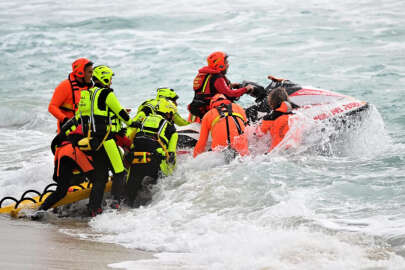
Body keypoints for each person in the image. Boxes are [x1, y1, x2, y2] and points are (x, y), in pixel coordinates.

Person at [63, 65, 135, 216]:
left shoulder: (88, 93)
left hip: (93, 141)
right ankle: (115, 204)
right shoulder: (107, 94)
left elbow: (82, 116)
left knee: (100, 177)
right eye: (110, 78)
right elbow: (121, 113)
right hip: (106, 140)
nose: (111, 82)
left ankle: (94, 208)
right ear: (105, 78)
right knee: (120, 172)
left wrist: (65, 130)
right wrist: (133, 124)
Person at [125, 98, 178, 208]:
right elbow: (171, 155)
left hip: (135, 159)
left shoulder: (143, 119)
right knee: (162, 183)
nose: (173, 118)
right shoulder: (170, 128)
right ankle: (153, 210)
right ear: (168, 114)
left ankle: (124, 208)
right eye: (173, 115)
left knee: (129, 194)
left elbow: (131, 138)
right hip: (155, 161)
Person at [31, 131, 95, 220]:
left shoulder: (64, 142)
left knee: (61, 191)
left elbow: (55, 176)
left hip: (62, 152)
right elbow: (91, 172)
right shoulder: (86, 151)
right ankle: (93, 209)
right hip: (71, 153)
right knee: (96, 180)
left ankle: (41, 210)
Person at [188, 51, 255, 122]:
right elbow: (230, 94)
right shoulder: (217, 77)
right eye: (226, 62)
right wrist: (246, 89)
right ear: (220, 64)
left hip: (197, 110)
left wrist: (232, 85)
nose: (228, 65)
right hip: (209, 111)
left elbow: (210, 88)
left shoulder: (205, 74)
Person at [193, 94, 249, 159]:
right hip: (241, 149)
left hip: (220, 151)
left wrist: (194, 158)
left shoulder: (208, 115)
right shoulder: (239, 108)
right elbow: (247, 129)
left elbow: (202, 142)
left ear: (212, 105)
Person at [48, 58, 93, 132]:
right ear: (80, 73)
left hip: (85, 130)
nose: (92, 75)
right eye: (89, 72)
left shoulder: (91, 88)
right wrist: (66, 120)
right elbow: (52, 107)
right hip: (68, 131)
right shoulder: (65, 86)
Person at [257, 87, 298, 152]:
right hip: (296, 150)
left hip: (276, 152)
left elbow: (259, 135)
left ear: (271, 102)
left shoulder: (269, 118)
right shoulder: (295, 116)